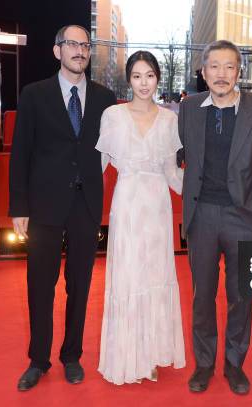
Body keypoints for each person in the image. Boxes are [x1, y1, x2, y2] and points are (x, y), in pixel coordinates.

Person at [9, 25, 116, 391]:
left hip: (86, 205)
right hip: (44, 205)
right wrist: (19, 206)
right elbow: (20, 152)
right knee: (40, 285)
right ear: (57, 51)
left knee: (80, 284)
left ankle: (72, 355)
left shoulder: (105, 97)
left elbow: (109, 149)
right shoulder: (34, 94)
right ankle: (38, 360)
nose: (80, 50)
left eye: (85, 45)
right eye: (72, 44)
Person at [178, 40, 252, 395]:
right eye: (214, 66)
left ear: (240, 71)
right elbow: (181, 153)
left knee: (241, 296)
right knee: (202, 296)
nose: (222, 74)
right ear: (203, 71)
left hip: (244, 217)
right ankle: (204, 364)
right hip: (202, 215)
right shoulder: (189, 108)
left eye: (229, 67)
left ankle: (234, 364)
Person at [96, 50, 185, 385]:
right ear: (129, 79)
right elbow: (99, 165)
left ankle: (150, 355)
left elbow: (171, 172)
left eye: (150, 75)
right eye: (137, 76)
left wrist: (202, 195)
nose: (144, 82)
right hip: (128, 204)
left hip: (158, 207)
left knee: (155, 275)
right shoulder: (113, 116)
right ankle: (127, 357)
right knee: (129, 276)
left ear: (158, 78)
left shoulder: (169, 120)